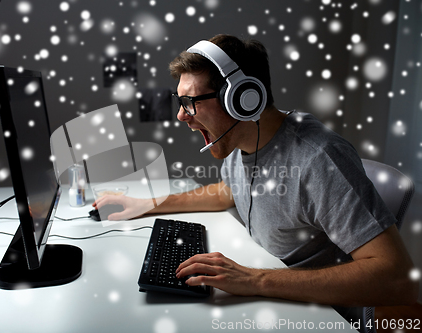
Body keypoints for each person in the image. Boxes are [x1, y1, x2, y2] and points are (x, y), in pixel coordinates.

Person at [94, 34, 419, 307]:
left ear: (242, 98)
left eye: (190, 101)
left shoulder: (318, 158)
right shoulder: (243, 140)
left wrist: (253, 278)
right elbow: (227, 191)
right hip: (274, 294)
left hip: (319, 312)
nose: (181, 116)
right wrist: (147, 204)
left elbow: (396, 277)